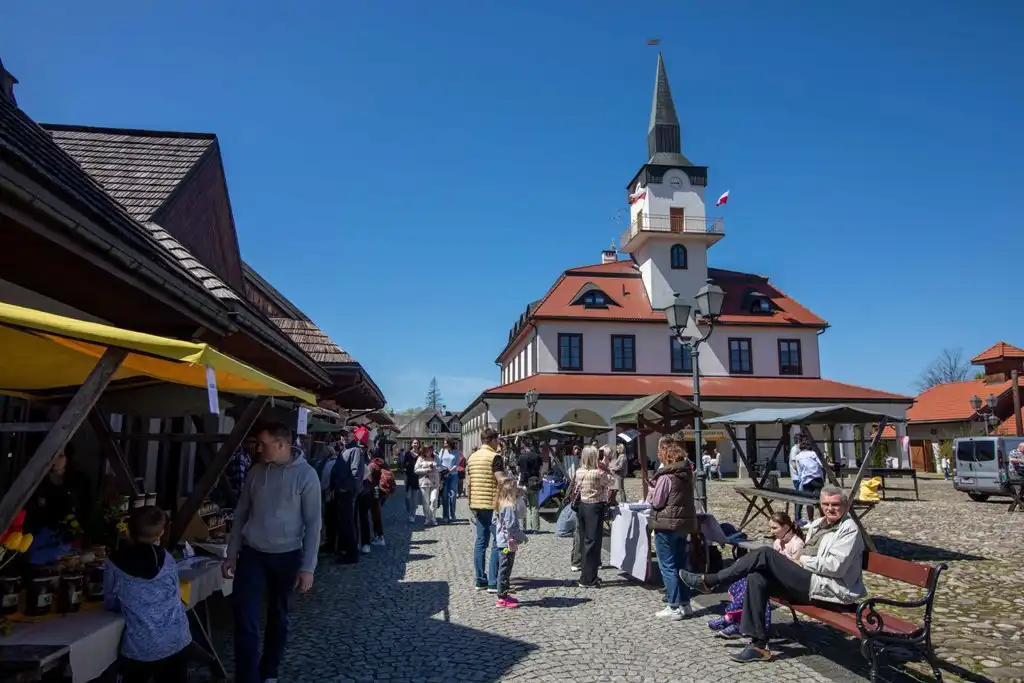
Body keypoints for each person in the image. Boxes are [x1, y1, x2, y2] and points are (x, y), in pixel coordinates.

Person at [678, 485, 866, 663]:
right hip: (808, 580)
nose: (830, 509)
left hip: (829, 589)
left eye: (835, 505)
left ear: (845, 506)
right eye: (826, 504)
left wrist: (801, 561)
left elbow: (835, 567)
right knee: (757, 577)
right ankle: (758, 646)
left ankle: (712, 580)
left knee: (765, 553)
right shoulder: (818, 524)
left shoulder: (849, 530)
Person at [224, 422, 321, 683]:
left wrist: (308, 568)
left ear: (281, 444)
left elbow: (313, 524)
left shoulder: (306, 476)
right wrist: (232, 552)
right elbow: (241, 513)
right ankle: (247, 677)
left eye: (262, 443)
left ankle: (269, 671)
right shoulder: (256, 472)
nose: (257, 448)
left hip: (287, 556)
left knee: (278, 617)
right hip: (252, 553)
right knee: (245, 616)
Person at [104, 506, 191, 683]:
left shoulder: (113, 563)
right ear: (160, 534)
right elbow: (174, 592)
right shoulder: (167, 559)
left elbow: (110, 601)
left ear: (128, 530)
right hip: (177, 640)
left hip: (141, 650)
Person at [708, 512, 805, 638]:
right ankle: (737, 620)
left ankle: (732, 618)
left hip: (788, 584)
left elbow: (795, 570)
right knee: (747, 581)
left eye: (775, 528)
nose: (771, 531)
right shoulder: (777, 542)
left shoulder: (797, 544)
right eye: (770, 528)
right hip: (775, 578)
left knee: (756, 585)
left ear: (786, 527)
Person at [646, 432, 697, 620]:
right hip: (682, 524)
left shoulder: (666, 476)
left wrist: (652, 492)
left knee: (667, 566)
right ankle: (686, 603)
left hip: (666, 524)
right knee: (681, 564)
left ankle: (673, 606)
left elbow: (658, 502)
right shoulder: (685, 475)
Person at [466, 428, 507, 592]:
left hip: (476, 503)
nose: (498, 443)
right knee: (498, 542)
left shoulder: (472, 457)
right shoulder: (494, 457)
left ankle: (480, 579)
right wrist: (513, 485)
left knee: (480, 541)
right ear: (491, 440)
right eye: (497, 440)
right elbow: (500, 479)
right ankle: (492, 581)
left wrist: (470, 502)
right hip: (492, 504)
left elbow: (468, 483)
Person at [574, 445, 614, 588]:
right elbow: (612, 481)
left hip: (583, 507)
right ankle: (589, 579)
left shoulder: (579, 471)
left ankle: (585, 575)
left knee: (586, 542)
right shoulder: (598, 473)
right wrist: (605, 463)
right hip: (595, 507)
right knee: (593, 543)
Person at [332, 427, 367, 564]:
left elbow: (356, 474)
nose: (344, 437)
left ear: (354, 435)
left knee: (348, 523)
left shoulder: (355, 450)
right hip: (341, 491)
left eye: (347, 435)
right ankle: (345, 549)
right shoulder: (344, 450)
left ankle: (352, 554)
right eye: (342, 435)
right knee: (344, 522)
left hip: (347, 492)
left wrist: (345, 488)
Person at [494, 478, 527, 609]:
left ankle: (504, 594)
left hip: (502, 540)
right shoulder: (508, 507)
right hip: (507, 542)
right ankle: (502, 597)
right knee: (505, 569)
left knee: (505, 568)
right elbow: (512, 526)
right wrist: (522, 537)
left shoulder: (500, 503)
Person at [792, 441, 825, 523]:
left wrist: (801, 479)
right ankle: (823, 518)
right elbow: (821, 464)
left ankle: (811, 520)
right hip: (816, 478)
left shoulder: (798, 456)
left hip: (806, 480)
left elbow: (799, 470)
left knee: (809, 500)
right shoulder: (813, 454)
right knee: (819, 499)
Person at [515, 440, 543, 533]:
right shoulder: (537, 456)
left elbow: (518, 469)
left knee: (522, 506)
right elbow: (541, 470)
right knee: (534, 507)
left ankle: (523, 528)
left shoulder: (521, 457)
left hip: (523, 484)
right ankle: (535, 528)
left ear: (524, 446)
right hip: (534, 484)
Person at [319, 441, 341, 553]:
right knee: (334, 521)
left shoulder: (330, 463)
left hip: (330, 496)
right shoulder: (338, 461)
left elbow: (324, 482)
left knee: (330, 520)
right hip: (337, 496)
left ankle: (330, 544)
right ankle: (334, 544)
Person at [415, 445, 440, 526]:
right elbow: (416, 470)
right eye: (427, 450)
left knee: (434, 499)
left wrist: (436, 468)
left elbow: (441, 466)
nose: (429, 452)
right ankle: (427, 518)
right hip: (424, 482)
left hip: (434, 482)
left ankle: (433, 517)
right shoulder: (420, 458)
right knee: (425, 502)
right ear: (424, 451)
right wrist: (426, 470)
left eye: (430, 450)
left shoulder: (436, 457)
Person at [436, 439, 460, 523]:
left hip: (453, 476)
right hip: (444, 477)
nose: (444, 444)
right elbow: (439, 462)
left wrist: (449, 471)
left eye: (446, 443)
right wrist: (442, 471)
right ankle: (445, 516)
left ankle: (452, 514)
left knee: (452, 496)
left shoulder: (456, 452)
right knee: (445, 496)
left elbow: (456, 464)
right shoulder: (442, 451)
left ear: (450, 443)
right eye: (444, 443)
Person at [402, 440, 421, 522]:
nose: (415, 444)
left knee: (415, 499)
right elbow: (403, 464)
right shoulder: (407, 453)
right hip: (408, 477)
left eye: (417, 443)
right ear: (412, 444)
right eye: (414, 443)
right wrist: (405, 469)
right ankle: (409, 512)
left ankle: (412, 515)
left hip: (417, 478)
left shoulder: (421, 454)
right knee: (407, 497)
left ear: (419, 444)